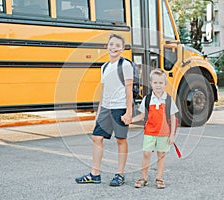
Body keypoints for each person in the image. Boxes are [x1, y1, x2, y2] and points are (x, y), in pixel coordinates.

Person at [75, 33, 133, 186]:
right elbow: (104, 90)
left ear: (122, 49)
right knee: (96, 138)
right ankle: (95, 174)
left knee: (121, 140)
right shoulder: (104, 67)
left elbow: (129, 89)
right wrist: (99, 111)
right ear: (107, 46)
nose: (114, 47)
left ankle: (120, 174)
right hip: (106, 108)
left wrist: (129, 112)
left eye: (117, 46)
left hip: (119, 107)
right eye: (111, 44)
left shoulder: (125, 65)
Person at [131, 69, 179, 189]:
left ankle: (159, 178)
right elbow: (142, 115)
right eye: (155, 83)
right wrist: (130, 120)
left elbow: (173, 118)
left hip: (164, 133)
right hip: (149, 132)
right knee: (146, 154)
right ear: (151, 84)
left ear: (165, 84)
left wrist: (172, 135)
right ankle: (144, 178)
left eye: (161, 83)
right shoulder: (147, 99)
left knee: (161, 155)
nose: (158, 85)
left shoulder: (168, 99)